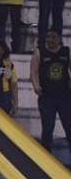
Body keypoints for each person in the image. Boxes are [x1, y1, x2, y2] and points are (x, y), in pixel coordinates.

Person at [33, 28, 71, 160]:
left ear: (59, 38)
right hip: (47, 96)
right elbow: (34, 71)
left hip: (65, 96)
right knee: (48, 128)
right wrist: (36, 85)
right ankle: (46, 160)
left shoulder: (66, 51)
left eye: (53, 37)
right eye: (48, 37)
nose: (50, 40)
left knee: (69, 126)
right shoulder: (40, 52)